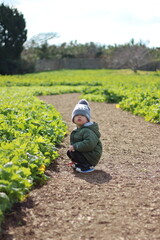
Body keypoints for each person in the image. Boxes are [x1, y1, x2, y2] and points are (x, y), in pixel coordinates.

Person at [67, 99, 102, 173]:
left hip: (91, 155)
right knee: (70, 151)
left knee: (74, 150)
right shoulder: (78, 129)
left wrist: (75, 146)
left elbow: (89, 144)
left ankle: (86, 166)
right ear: (73, 119)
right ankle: (79, 163)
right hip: (85, 153)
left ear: (88, 119)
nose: (79, 117)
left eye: (83, 115)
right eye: (76, 115)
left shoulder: (88, 131)